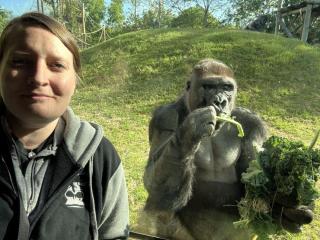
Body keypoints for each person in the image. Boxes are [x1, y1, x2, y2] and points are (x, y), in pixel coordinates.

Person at [0, 12, 129, 240]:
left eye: (57, 65)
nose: (39, 78)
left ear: (75, 80)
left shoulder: (100, 159)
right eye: (21, 61)